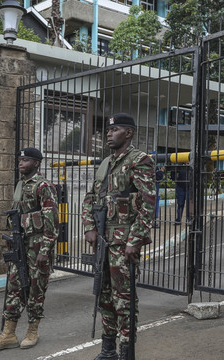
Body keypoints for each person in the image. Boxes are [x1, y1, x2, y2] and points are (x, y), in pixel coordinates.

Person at [81, 113, 156, 359]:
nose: (109, 134)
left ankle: (126, 352)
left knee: (124, 301)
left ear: (129, 133)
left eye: (115, 130)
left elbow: (147, 205)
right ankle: (108, 349)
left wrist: (135, 241)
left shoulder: (139, 160)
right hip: (102, 241)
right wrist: (88, 227)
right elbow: (90, 198)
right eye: (108, 131)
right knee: (104, 298)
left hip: (124, 244)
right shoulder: (105, 163)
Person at [0, 147, 58, 351]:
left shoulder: (43, 186)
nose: (20, 163)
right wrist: (11, 236)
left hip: (37, 247)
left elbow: (52, 221)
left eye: (25, 160)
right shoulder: (20, 185)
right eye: (20, 159)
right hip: (20, 245)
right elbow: (16, 214)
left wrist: (45, 250)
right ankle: (8, 334)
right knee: (14, 287)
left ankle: (32, 330)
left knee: (35, 288)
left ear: (36, 163)